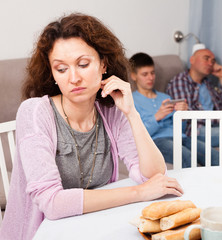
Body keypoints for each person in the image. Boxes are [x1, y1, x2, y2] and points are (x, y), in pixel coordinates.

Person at [0, 14, 183, 240]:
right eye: (61, 68)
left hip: (96, 227)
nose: (74, 78)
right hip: (41, 234)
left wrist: (131, 113)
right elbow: (52, 203)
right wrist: (138, 192)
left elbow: (155, 176)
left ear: (103, 64)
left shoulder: (111, 112)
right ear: (53, 74)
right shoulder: (35, 112)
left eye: (83, 64)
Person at [129, 52, 219, 167]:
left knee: (215, 155)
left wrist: (181, 116)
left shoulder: (165, 97)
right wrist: (157, 117)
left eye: (152, 73)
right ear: (133, 76)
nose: (150, 78)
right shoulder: (131, 101)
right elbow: (136, 135)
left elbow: (180, 129)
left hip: (180, 137)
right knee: (187, 157)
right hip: (156, 141)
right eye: (145, 74)